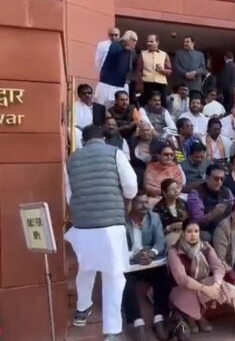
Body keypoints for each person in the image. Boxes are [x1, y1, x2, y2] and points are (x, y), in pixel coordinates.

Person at [65, 125, 138, 340]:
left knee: (86, 268)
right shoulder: (115, 153)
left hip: (83, 225)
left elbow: (69, 194)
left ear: (83, 141)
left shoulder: (72, 159)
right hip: (111, 225)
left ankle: (82, 307)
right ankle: (112, 331)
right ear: (103, 139)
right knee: (113, 276)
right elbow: (131, 186)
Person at [167, 219, 235, 333]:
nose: (193, 235)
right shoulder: (174, 251)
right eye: (189, 231)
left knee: (218, 286)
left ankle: (200, 316)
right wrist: (205, 288)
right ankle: (191, 317)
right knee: (191, 289)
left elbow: (218, 266)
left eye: (196, 231)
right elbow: (182, 278)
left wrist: (216, 284)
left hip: (201, 285)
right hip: (182, 289)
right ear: (183, 233)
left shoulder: (205, 246)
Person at [123, 194, 170, 341]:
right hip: (129, 262)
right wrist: (134, 256)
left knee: (162, 273)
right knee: (124, 279)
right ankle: (137, 322)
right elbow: (118, 247)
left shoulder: (154, 217)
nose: (144, 206)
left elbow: (160, 242)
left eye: (146, 202)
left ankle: (159, 318)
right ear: (130, 204)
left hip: (149, 261)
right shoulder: (122, 220)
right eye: (140, 203)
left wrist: (151, 252)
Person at [186, 164, 235, 241]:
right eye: (216, 179)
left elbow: (234, 207)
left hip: (225, 226)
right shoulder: (196, 194)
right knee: (206, 236)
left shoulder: (227, 191)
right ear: (207, 178)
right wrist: (213, 214)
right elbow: (196, 222)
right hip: (206, 229)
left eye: (222, 179)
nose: (219, 182)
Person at [96, 30, 137, 109]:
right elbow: (99, 62)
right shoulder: (114, 46)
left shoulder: (130, 52)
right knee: (104, 107)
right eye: (134, 41)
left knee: (121, 108)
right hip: (107, 84)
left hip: (122, 84)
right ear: (128, 40)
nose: (135, 43)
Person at [137, 34, 172, 107]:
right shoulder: (142, 53)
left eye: (151, 41)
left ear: (157, 42)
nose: (149, 43)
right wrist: (140, 84)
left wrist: (162, 70)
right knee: (145, 104)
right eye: (148, 41)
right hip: (147, 83)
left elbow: (169, 70)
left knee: (162, 104)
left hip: (161, 84)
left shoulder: (164, 54)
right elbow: (139, 70)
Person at [153, 178, 189, 246]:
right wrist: (171, 227)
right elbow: (156, 232)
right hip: (170, 234)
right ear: (164, 193)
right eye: (172, 189)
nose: (176, 191)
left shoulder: (182, 203)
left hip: (185, 232)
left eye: (177, 188)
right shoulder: (158, 209)